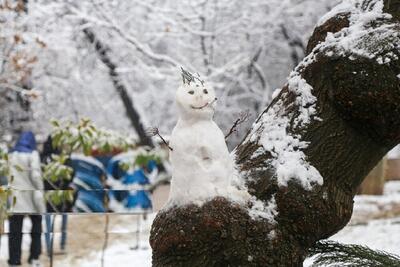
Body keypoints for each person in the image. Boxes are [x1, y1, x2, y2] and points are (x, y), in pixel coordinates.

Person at [8, 131, 45, 267]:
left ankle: (14, 261)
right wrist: (41, 190)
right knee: (36, 229)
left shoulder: (11, 154)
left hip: (15, 199)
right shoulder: (32, 154)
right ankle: (34, 258)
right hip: (31, 198)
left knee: (15, 232)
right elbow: (36, 176)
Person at [40, 135, 71, 256]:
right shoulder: (62, 157)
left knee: (49, 223)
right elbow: (70, 173)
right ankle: (62, 245)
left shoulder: (42, 157)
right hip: (61, 192)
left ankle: (49, 248)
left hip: (47, 193)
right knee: (63, 220)